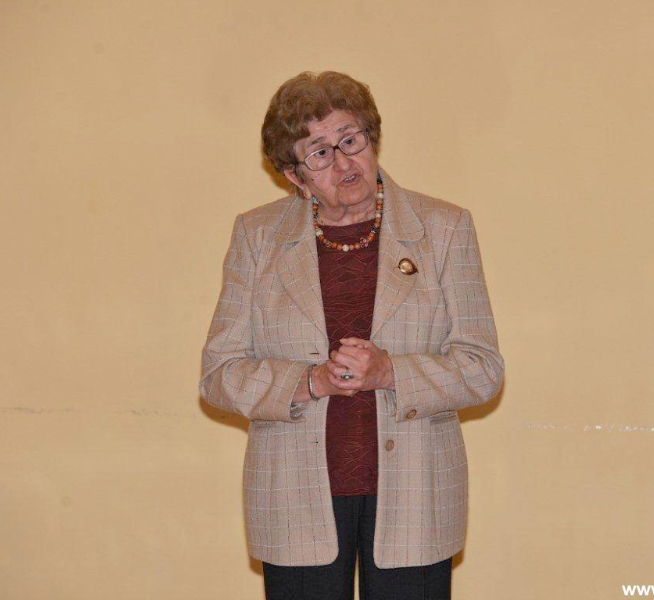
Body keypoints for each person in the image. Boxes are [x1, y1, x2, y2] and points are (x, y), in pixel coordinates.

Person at [199, 71, 504, 600]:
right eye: (319, 153)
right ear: (294, 176)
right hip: (294, 497)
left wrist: (392, 372)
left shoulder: (444, 227)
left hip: (416, 496)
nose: (343, 164)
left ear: (371, 137)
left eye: (350, 140)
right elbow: (219, 375)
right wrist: (309, 382)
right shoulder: (256, 236)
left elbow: (483, 368)